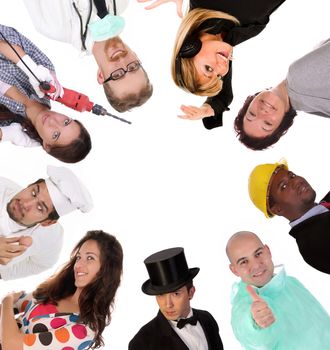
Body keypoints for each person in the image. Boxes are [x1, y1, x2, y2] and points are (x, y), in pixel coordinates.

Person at [138, 0, 286, 129]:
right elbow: (223, 97)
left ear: (189, 48)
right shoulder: (226, 39)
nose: (222, 67)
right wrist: (206, 110)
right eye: (219, 76)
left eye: (208, 69)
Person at [0, 230, 123, 350]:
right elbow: (10, 308)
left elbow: (11, 346)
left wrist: (7, 299)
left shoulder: (83, 329)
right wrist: (8, 305)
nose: (78, 265)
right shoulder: (55, 290)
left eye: (90, 258)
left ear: (106, 269)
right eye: (79, 257)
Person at [23, 0, 153, 113]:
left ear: (101, 75)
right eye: (134, 67)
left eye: (117, 75)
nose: (123, 62)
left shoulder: (54, 26)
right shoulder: (122, 3)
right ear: (137, 57)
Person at [0, 24, 91, 163]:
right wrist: (29, 66)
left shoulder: (8, 124)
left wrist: (5, 135)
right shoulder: (45, 71)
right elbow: (6, 33)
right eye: (66, 122)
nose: (53, 121)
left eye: (55, 134)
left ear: (47, 146)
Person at [226, 231, 330, 349]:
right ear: (234, 270)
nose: (256, 265)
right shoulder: (245, 305)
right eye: (244, 262)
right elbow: (252, 336)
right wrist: (256, 323)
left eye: (258, 253)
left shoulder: (291, 282)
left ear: (268, 251)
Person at [0, 165, 93, 280]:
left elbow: (42, 264)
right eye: (33, 193)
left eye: (40, 207)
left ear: (48, 223)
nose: (25, 204)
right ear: (29, 186)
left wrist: (3, 273)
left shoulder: (51, 237)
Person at [234, 39, 330, 150]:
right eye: (267, 123)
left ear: (250, 102)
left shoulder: (306, 100)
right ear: (282, 123)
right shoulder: (299, 79)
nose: (262, 112)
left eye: (251, 114)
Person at [129, 247, 224, 350]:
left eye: (176, 294)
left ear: (191, 292)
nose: (168, 304)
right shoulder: (142, 342)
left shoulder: (207, 319)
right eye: (161, 295)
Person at [248, 159, 330, 274]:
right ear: (277, 209)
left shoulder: (324, 207)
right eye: (284, 186)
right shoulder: (314, 244)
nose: (296, 181)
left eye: (291, 175)